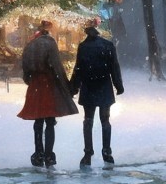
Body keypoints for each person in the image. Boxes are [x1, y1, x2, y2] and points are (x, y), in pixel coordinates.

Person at [18, 20, 78, 168]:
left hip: (35, 85)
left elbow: (25, 69)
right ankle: (49, 156)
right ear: (48, 30)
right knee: (50, 121)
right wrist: (67, 86)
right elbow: (57, 66)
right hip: (48, 84)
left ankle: (38, 153)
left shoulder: (30, 45)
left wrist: (31, 80)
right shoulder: (50, 43)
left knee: (38, 121)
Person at [69, 19, 124, 167]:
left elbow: (78, 69)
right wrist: (118, 86)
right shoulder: (107, 46)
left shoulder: (83, 47)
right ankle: (107, 152)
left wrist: (73, 87)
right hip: (104, 86)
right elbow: (114, 67)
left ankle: (88, 153)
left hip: (88, 87)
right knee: (105, 120)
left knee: (88, 120)